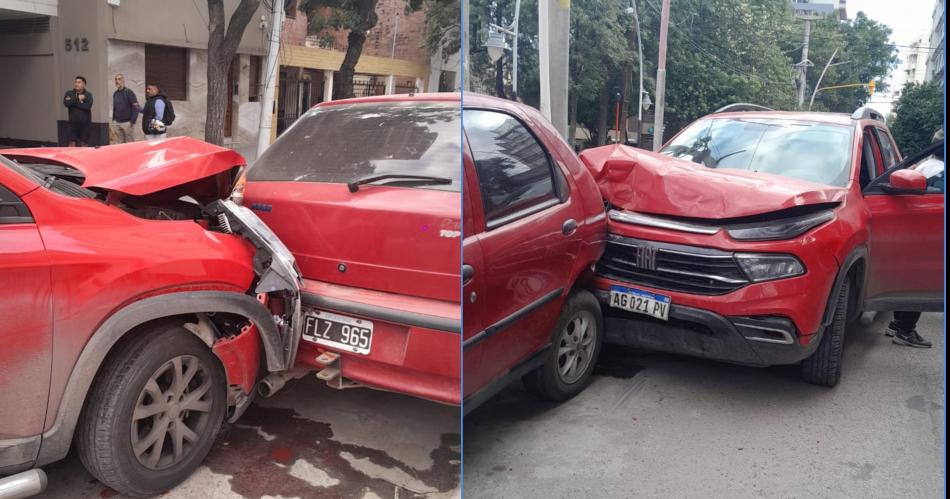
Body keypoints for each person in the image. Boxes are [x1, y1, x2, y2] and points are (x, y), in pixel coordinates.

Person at [885, 129, 944, 349]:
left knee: (910, 278)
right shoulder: (940, 173)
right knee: (922, 281)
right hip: (926, 233)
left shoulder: (925, 166)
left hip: (909, 231)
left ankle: (897, 324)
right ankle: (905, 330)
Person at [63, 76, 93, 146]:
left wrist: (73, 102)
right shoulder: (69, 93)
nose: (76, 84)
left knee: (84, 144)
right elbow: (66, 103)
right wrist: (77, 98)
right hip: (72, 125)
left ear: (84, 84)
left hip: (85, 125)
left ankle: (84, 157)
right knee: (71, 143)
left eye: (79, 82)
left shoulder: (88, 95)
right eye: (75, 82)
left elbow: (87, 106)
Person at [111, 74, 139, 143]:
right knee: (120, 144)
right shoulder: (115, 93)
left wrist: (132, 121)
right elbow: (115, 107)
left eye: (119, 79)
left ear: (123, 81)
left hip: (127, 123)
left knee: (130, 144)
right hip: (117, 123)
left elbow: (136, 107)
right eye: (116, 79)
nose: (117, 81)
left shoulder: (129, 92)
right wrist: (113, 120)